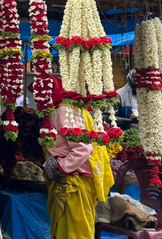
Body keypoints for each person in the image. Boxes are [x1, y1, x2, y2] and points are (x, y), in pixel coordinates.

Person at [44, 76, 113, 239]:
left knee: (74, 233)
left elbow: (83, 149)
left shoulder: (62, 111)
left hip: (74, 181)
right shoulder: (66, 109)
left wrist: (61, 169)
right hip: (72, 179)